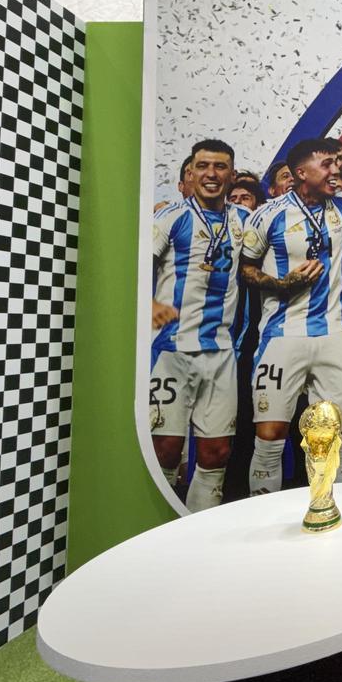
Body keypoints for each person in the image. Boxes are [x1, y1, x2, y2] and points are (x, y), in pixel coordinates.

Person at [239, 138, 342, 495]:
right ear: (301, 172)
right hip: (282, 336)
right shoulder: (267, 214)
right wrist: (281, 283)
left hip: (335, 334)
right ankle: (263, 518)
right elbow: (246, 270)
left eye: (336, 164)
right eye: (327, 165)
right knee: (271, 434)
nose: (335, 171)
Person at [150, 140, 248, 510]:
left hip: (221, 352)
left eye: (220, 167)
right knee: (166, 448)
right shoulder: (171, 217)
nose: (211, 174)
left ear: (232, 174)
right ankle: (156, 528)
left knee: (216, 451)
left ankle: (199, 533)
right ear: (190, 173)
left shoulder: (243, 220)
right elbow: (137, 262)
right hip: (172, 351)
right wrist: (150, 304)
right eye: (203, 166)